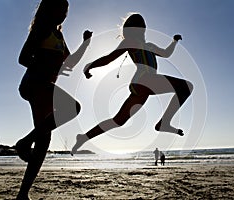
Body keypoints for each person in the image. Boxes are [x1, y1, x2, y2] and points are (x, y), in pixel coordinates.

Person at [71, 13, 193, 155]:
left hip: (143, 87)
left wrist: (174, 41)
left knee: (118, 121)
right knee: (186, 87)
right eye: (137, 27)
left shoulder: (150, 46)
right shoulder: (130, 42)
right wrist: (90, 65)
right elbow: (109, 58)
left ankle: (83, 137)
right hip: (144, 80)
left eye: (142, 27)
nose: (141, 30)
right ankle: (164, 123)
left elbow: (166, 53)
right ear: (130, 29)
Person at [15, 0, 92, 199]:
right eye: (61, 8)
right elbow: (23, 57)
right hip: (34, 83)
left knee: (43, 140)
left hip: (41, 86)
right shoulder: (42, 29)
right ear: (49, 9)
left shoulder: (59, 35)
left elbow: (70, 62)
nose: (64, 13)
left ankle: (22, 195)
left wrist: (85, 43)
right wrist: (43, 68)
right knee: (72, 108)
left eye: (66, 10)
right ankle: (24, 143)